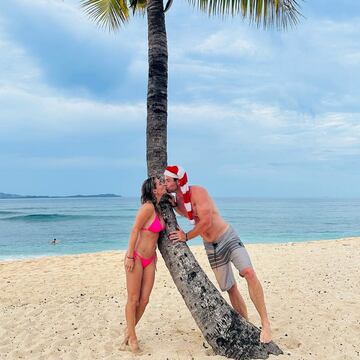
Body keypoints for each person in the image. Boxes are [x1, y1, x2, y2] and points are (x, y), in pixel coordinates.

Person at [164, 165, 272, 343]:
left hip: (227, 237)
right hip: (211, 247)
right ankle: (247, 324)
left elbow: (205, 221)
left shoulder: (198, 192)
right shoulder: (176, 203)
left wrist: (186, 236)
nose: (166, 183)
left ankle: (266, 324)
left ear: (178, 181)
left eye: (168, 180)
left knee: (249, 273)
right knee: (230, 288)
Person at [122, 176, 166, 353]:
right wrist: (130, 256)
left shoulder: (159, 208)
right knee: (133, 299)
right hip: (138, 258)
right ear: (154, 190)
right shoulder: (147, 208)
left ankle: (128, 331)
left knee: (145, 300)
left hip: (150, 260)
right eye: (160, 183)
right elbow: (134, 230)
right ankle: (132, 337)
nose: (163, 184)